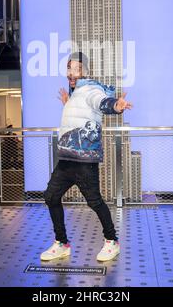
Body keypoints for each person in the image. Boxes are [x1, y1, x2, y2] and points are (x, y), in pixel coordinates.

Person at [41, 51, 132, 262]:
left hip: (83, 162)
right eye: (69, 68)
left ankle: (112, 241)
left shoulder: (90, 89)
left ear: (85, 72)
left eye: (77, 68)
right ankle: (62, 243)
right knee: (51, 197)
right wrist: (67, 103)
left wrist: (115, 106)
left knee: (94, 201)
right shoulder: (75, 95)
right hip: (66, 160)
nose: (71, 73)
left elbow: (100, 101)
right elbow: (80, 116)